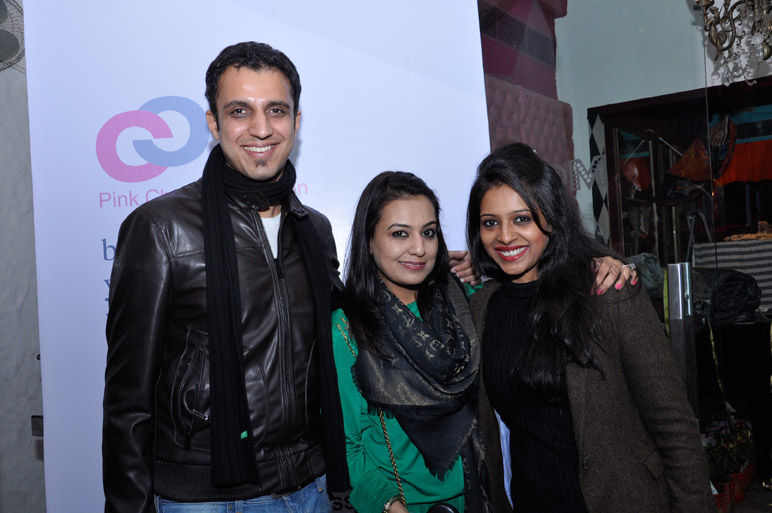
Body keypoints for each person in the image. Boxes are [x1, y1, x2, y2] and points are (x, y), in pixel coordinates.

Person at [103, 41, 479, 513]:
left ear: (296, 121)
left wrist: (449, 273)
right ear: (213, 123)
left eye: (276, 110)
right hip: (207, 498)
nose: (261, 129)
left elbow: (359, 312)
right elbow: (127, 401)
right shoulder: (162, 228)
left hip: (311, 488)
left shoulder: (312, 229)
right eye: (240, 111)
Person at [466, 142, 716, 513]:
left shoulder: (606, 291)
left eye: (522, 219)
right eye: (490, 223)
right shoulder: (482, 308)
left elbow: (673, 425)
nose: (504, 236)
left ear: (551, 218)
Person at [331, 172, 494, 513]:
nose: (419, 248)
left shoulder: (464, 302)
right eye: (400, 234)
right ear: (369, 240)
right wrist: (392, 508)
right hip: (400, 507)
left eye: (428, 232)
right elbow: (348, 445)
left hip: (478, 497)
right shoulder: (348, 328)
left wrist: (596, 263)